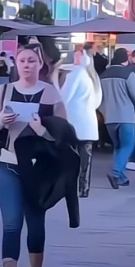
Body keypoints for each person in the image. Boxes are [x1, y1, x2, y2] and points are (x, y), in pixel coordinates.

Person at [0, 43, 68, 267]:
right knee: (11, 224)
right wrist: (1, 121)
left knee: (35, 223)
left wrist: (42, 129)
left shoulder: (51, 94)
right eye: (22, 60)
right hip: (7, 163)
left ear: (40, 64)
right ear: (16, 63)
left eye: (32, 60)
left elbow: (64, 135)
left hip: (38, 167)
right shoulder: (5, 90)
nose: (27, 65)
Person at [99, 48, 135, 189]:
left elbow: (99, 98)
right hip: (126, 116)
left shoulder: (103, 75)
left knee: (118, 147)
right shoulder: (128, 73)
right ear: (125, 59)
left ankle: (121, 177)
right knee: (128, 145)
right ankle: (116, 173)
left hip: (109, 117)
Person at [53, 49, 102, 196]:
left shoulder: (76, 74)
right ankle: (84, 188)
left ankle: (68, 187)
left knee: (69, 157)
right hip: (89, 123)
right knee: (85, 159)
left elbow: (63, 98)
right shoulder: (92, 76)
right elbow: (97, 102)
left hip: (74, 123)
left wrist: (55, 79)